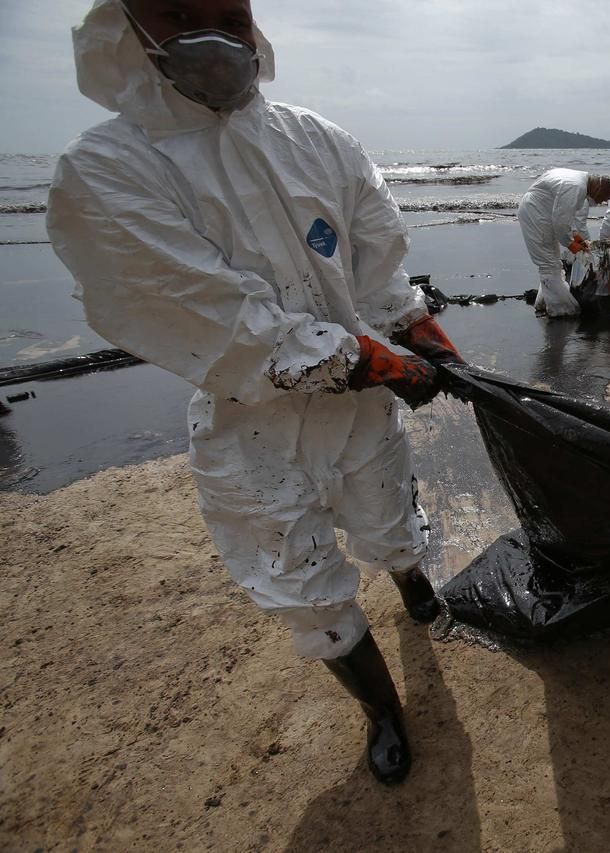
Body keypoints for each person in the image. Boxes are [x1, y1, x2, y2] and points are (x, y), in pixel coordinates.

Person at [46, 0, 468, 787]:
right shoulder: (107, 171)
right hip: (252, 427)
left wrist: (413, 322)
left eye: (228, 12)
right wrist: (375, 361)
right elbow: (219, 321)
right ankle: (383, 711)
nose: (213, 30)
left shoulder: (318, 141)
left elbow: (376, 262)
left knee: (387, 512)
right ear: (134, 29)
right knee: (301, 574)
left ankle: (414, 589)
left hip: (363, 408)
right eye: (181, 10)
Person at [517, 168, 610, 317]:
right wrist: (570, 243)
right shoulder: (575, 187)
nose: (602, 202)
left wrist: (576, 237)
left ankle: (544, 303)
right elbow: (561, 221)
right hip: (536, 215)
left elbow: (566, 216)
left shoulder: (579, 182)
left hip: (542, 213)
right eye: (603, 198)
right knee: (548, 265)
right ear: (597, 188)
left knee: (554, 264)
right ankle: (561, 310)